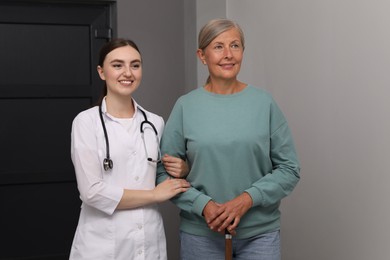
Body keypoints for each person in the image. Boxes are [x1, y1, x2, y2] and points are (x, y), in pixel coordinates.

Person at [156, 18, 300, 260]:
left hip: (259, 235)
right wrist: (204, 206)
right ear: (202, 55)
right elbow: (163, 174)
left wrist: (247, 199)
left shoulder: (264, 104)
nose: (228, 54)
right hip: (200, 235)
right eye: (218, 46)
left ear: (243, 52)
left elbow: (289, 169)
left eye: (235, 46)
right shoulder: (185, 106)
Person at [69, 38, 190, 260]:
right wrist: (153, 195)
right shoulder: (86, 122)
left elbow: (161, 172)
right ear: (101, 72)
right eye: (117, 65)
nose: (128, 72)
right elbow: (91, 192)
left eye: (135, 65)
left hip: (148, 237)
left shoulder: (155, 123)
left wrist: (182, 169)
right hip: (102, 242)